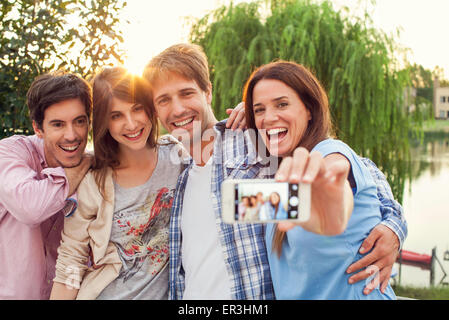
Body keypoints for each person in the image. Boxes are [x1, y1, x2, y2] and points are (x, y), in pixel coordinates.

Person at [143, 43, 407, 300]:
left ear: (207, 92)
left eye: (187, 93)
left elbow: (351, 173)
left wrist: (393, 225)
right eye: (163, 100)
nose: (177, 109)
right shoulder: (174, 168)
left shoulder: (254, 142)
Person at [243, 60, 398, 299]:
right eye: (259, 110)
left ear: (309, 111)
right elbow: (239, 204)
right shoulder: (280, 175)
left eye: (282, 104)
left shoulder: (330, 152)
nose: (269, 117)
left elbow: (334, 173)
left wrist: (329, 196)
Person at [50, 67, 185, 300]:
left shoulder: (177, 157)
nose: (131, 124)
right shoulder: (94, 183)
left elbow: (214, 146)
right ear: (104, 123)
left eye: (137, 109)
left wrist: (246, 118)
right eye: (116, 116)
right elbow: (71, 260)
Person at [0, 71, 93, 299]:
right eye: (58, 124)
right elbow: (30, 208)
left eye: (79, 122)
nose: (71, 135)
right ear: (38, 128)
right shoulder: (9, 153)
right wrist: (81, 167)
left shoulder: (97, 175)